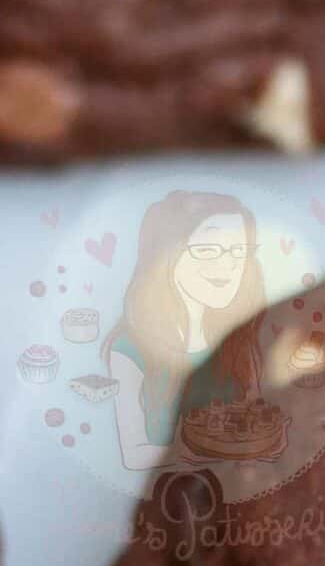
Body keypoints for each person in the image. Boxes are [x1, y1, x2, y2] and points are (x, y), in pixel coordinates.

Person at [105, 191, 268, 474]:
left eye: (238, 251)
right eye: (208, 249)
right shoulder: (130, 348)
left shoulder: (247, 338)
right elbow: (134, 455)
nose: (228, 265)